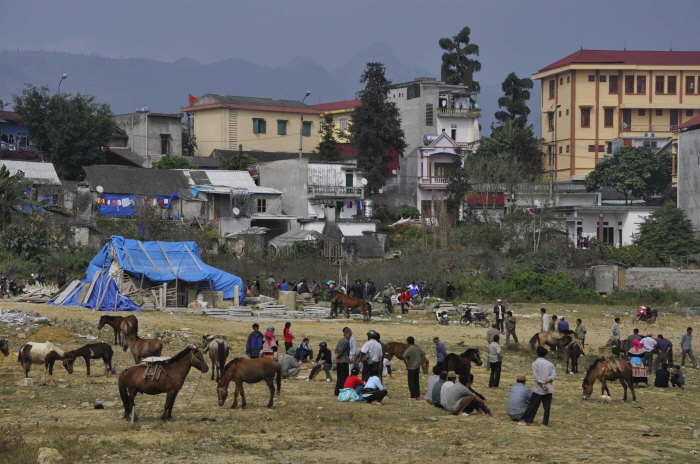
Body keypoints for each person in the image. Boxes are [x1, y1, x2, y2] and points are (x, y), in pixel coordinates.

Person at [518, 346, 556, 427]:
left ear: (537, 354)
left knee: (533, 405)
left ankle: (527, 421)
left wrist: (542, 384)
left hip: (538, 388)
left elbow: (536, 376)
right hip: (548, 388)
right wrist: (547, 381)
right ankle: (544, 423)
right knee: (547, 407)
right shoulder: (550, 364)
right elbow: (553, 375)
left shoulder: (535, 363)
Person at [333, 327, 353, 396]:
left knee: (339, 377)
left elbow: (336, 350)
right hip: (344, 361)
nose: (350, 336)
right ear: (345, 334)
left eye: (350, 335)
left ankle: (337, 392)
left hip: (340, 361)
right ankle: (342, 391)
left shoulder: (340, 340)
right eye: (349, 334)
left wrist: (336, 358)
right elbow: (341, 351)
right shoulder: (346, 341)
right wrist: (336, 358)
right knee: (344, 378)